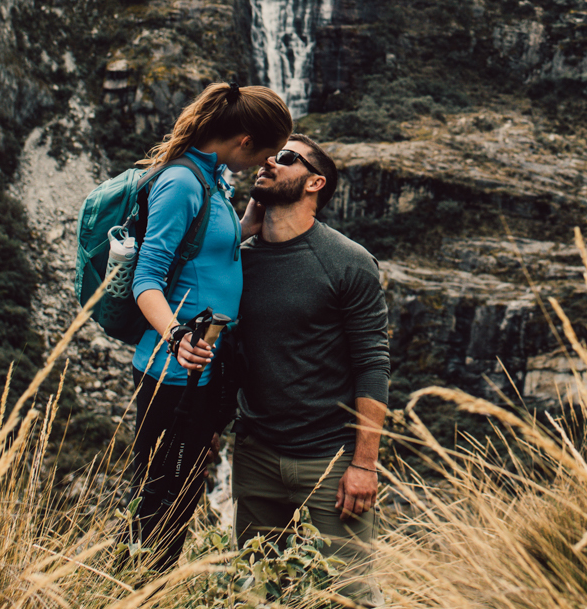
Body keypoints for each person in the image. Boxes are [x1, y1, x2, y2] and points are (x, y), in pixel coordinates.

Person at [127, 81, 292, 566]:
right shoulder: (181, 182)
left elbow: (212, 248)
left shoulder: (211, 175)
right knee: (161, 496)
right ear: (244, 141)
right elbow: (146, 279)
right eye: (268, 153)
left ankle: (148, 585)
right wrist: (176, 336)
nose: (268, 163)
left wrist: (254, 212)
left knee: (181, 495)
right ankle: (135, 587)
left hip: (202, 369)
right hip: (172, 372)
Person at [231, 133, 390, 603]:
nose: (268, 162)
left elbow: (372, 364)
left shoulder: (349, 262)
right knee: (257, 592)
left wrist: (364, 464)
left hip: (329, 461)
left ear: (314, 182)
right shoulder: (237, 259)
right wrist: (242, 231)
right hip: (256, 454)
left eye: (284, 158)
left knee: (348, 593)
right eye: (266, 155)